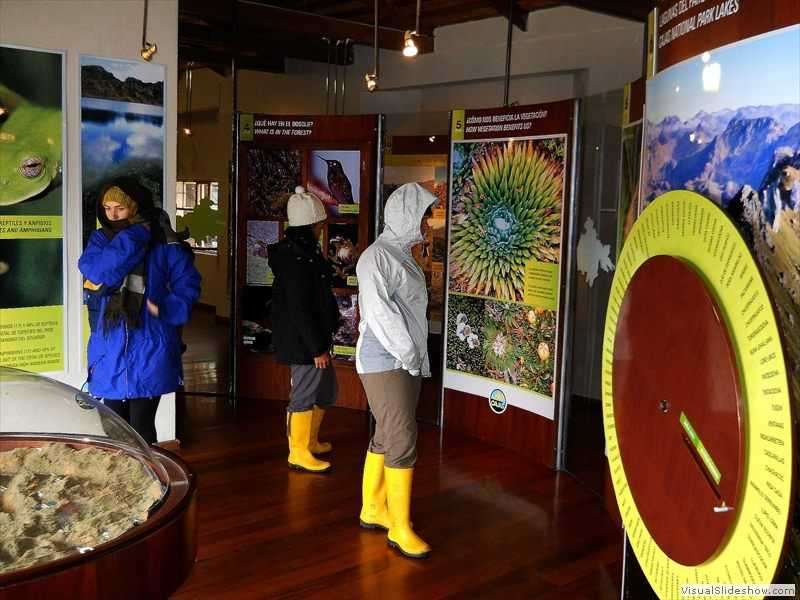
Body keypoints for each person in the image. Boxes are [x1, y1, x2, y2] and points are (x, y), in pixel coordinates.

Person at [79, 178, 201, 444]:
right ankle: (122, 484)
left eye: (120, 208)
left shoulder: (165, 243)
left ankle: (150, 482)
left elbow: (188, 286)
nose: (112, 214)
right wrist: (135, 235)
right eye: (107, 207)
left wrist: (167, 307)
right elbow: (99, 272)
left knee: (142, 429)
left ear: (135, 207)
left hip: (150, 344)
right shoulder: (102, 239)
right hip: (109, 347)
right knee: (113, 430)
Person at [355, 183, 437, 559]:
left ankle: (374, 509)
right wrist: (408, 354)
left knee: (388, 433)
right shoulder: (376, 257)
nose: (428, 222)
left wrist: (414, 358)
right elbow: (380, 315)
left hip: (402, 360)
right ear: (405, 215)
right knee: (402, 435)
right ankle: (399, 528)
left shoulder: (399, 255)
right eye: (423, 214)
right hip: (387, 360)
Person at [268, 186, 340, 474]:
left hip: (313, 339)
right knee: (305, 394)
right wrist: (317, 348)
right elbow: (301, 309)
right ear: (313, 225)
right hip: (306, 344)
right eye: (321, 225)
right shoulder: (298, 259)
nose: (323, 229)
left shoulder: (303, 253)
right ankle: (297, 451)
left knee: (327, 390)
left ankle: (309, 441)